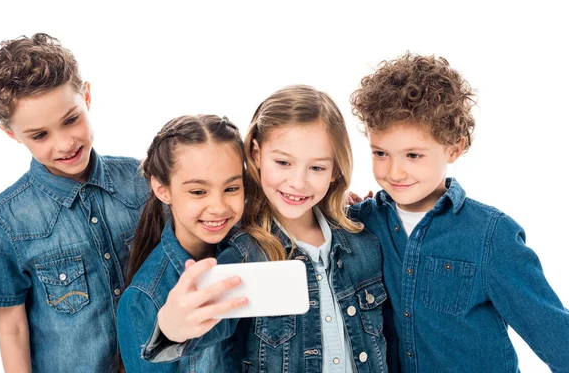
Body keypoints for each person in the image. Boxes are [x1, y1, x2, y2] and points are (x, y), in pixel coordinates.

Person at [349, 52, 569, 372]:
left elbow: (552, 332)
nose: (395, 172)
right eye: (381, 153)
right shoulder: (361, 223)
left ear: (455, 148)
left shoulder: (491, 236)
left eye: (413, 155)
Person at [145, 85, 388, 373]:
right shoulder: (244, 254)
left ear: (336, 169)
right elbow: (203, 332)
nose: (298, 182)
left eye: (317, 168)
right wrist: (172, 328)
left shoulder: (363, 242)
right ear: (257, 155)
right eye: (283, 162)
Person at [0, 33, 149, 372]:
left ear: (87, 97)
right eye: (40, 135)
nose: (65, 143)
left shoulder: (143, 181)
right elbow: (12, 327)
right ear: (11, 134)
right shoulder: (3, 221)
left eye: (71, 120)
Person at [117, 115, 247, 372]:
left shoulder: (255, 248)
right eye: (198, 192)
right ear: (162, 190)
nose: (219, 207)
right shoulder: (143, 301)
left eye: (231, 188)